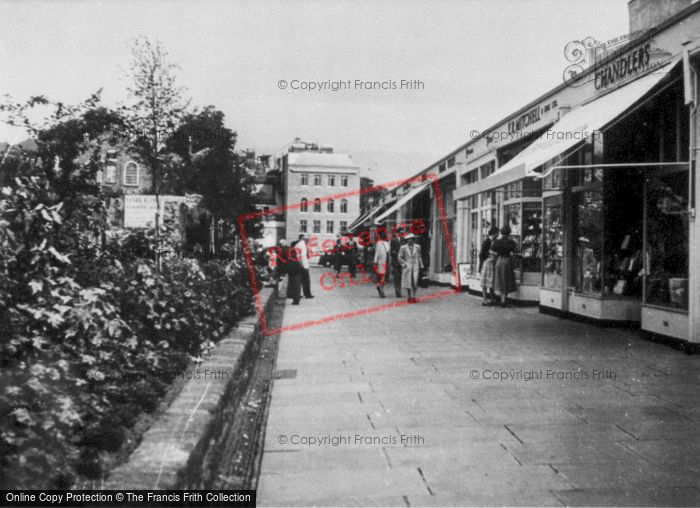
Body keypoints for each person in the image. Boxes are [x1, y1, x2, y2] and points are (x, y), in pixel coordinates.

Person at [492, 225, 518, 307]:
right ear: (509, 233)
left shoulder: (497, 242)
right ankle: (504, 300)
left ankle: (502, 299)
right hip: (507, 261)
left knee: (500, 280)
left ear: (501, 232)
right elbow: (515, 251)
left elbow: (493, 250)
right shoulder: (511, 242)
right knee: (507, 280)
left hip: (499, 261)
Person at [398, 233, 423, 304]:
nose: (410, 241)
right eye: (408, 240)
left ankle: (414, 296)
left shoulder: (418, 247)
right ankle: (409, 296)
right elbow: (399, 257)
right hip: (407, 267)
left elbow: (419, 256)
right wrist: (404, 264)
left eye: (411, 239)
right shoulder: (403, 247)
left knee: (415, 282)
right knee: (408, 282)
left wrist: (421, 265)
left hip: (415, 266)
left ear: (413, 240)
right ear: (407, 240)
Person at [373, 231, 390, 298]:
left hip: (387, 261)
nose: (385, 236)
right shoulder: (379, 243)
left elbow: (388, 252)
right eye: (384, 235)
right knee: (381, 276)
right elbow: (377, 253)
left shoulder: (387, 243)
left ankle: (379, 287)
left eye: (385, 235)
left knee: (385, 277)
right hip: (381, 262)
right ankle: (381, 290)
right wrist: (375, 262)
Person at [390, 230, 404, 297]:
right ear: (398, 233)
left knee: (401, 276)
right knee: (396, 277)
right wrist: (395, 253)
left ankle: (399, 290)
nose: (402, 234)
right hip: (395, 261)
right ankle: (397, 291)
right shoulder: (393, 240)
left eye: (402, 233)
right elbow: (391, 251)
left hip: (402, 262)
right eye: (401, 233)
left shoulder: (403, 239)